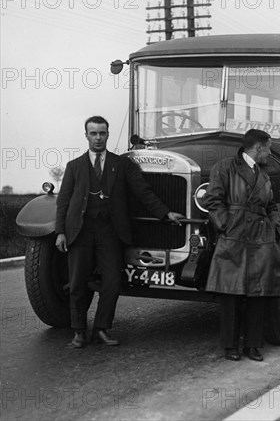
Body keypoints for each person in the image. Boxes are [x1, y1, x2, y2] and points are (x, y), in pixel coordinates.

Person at [56, 116, 184, 348]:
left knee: (113, 282)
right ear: (86, 135)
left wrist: (165, 214)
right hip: (80, 232)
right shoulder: (74, 167)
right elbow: (63, 202)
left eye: (102, 133)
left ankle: (102, 329)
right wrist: (60, 232)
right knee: (77, 284)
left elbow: (143, 193)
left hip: (110, 232)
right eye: (93, 133)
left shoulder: (122, 165)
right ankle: (78, 332)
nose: (97, 138)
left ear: (107, 134)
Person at [202, 129, 280, 362]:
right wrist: (225, 225)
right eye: (268, 148)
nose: (269, 154)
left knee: (258, 293)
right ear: (258, 148)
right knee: (230, 292)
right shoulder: (225, 167)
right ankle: (230, 347)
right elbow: (212, 200)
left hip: (260, 237)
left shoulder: (264, 174)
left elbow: (270, 205)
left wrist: (275, 226)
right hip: (235, 235)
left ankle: (253, 345)